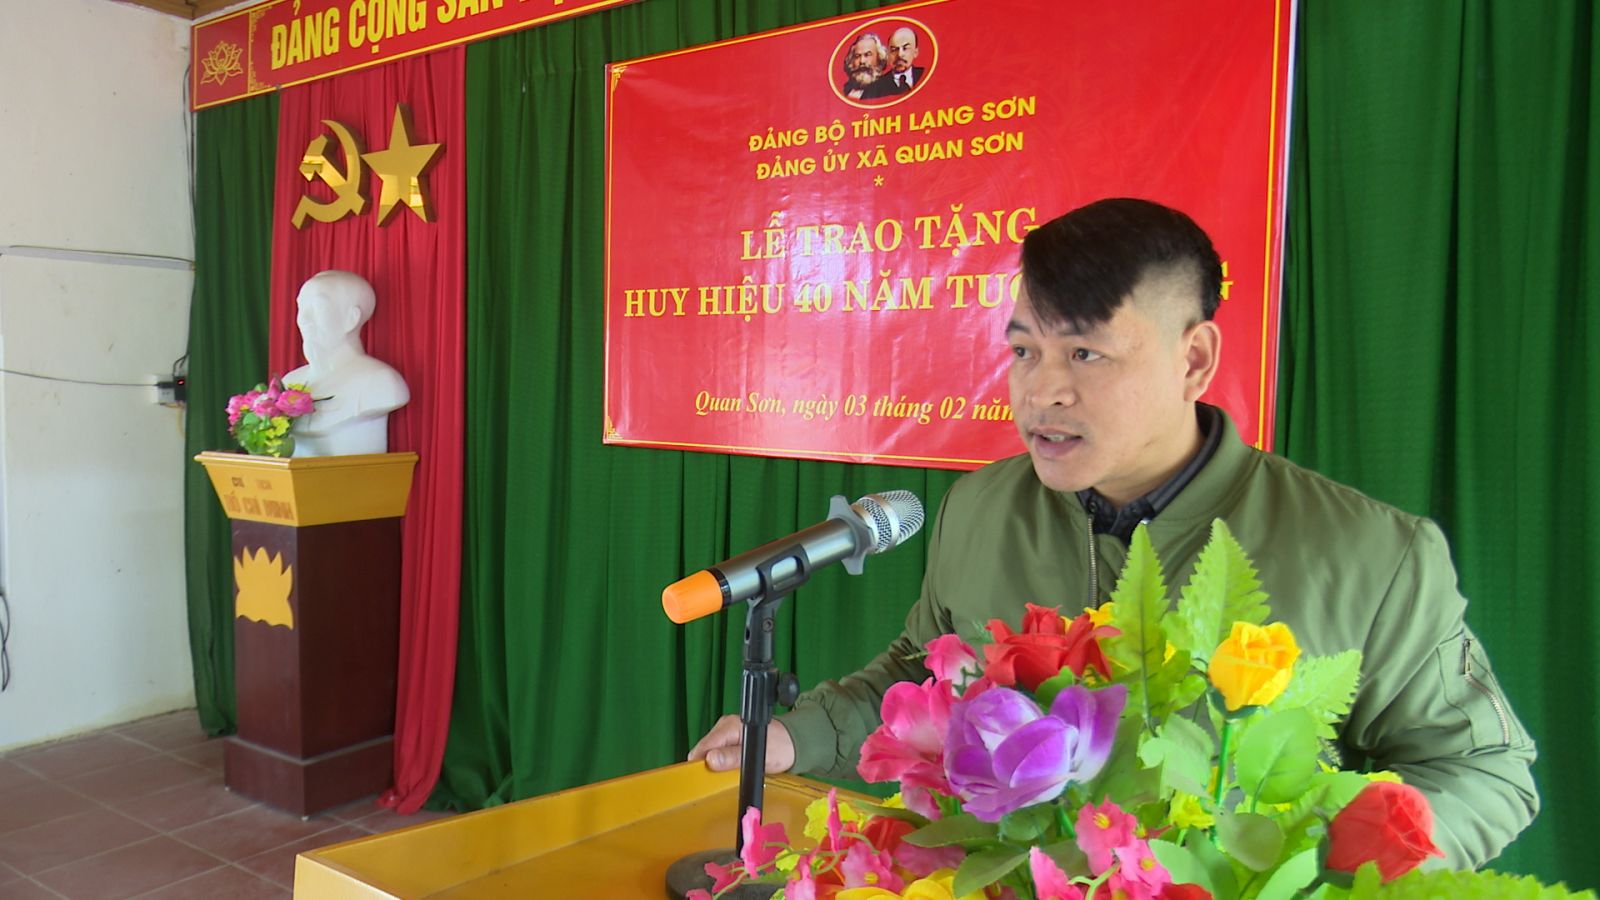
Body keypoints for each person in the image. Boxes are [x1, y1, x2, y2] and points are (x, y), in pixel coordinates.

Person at [690, 198, 1538, 869]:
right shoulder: (979, 509)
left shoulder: (1371, 554)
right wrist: (796, 735)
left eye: (1086, 355)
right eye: (1025, 352)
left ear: (1194, 360)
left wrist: (1322, 867)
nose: (1042, 392)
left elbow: (1483, 772)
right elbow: (924, 673)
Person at [282, 270, 409, 457]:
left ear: (352, 319)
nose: (303, 320)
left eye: (318, 307)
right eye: (301, 307)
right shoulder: (290, 382)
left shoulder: (381, 381)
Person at [839, 32, 895, 101]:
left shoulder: (887, 88)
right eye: (857, 56)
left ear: (879, 58)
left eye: (867, 55)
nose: (862, 61)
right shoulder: (845, 89)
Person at [886, 27, 926, 92]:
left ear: (915, 52)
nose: (900, 54)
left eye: (905, 48)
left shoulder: (924, 75)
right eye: (894, 50)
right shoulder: (876, 86)